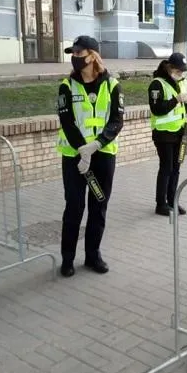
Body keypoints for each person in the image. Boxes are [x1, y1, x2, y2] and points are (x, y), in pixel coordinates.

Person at [57, 35, 124, 277]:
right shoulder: (67, 86)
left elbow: (117, 121)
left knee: (98, 206)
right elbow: (67, 122)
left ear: (93, 56)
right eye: (72, 54)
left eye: (79, 53)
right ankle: (67, 259)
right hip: (74, 156)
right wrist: (81, 151)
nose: (75, 58)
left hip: (103, 155)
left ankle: (93, 256)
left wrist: (96, 145)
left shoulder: (112, 85)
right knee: (74, 207)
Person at [148, 52, 187, 216]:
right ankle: (161, 204)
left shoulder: (183, 82)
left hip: (180, 131)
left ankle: (172, 200)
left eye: (183, 71)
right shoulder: (157, 84)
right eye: (178, 71)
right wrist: (176, 99)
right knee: (166, 167)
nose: (181, 74)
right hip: (163, 133)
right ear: (169, 68)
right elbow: (157, 109)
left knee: (176, 168)